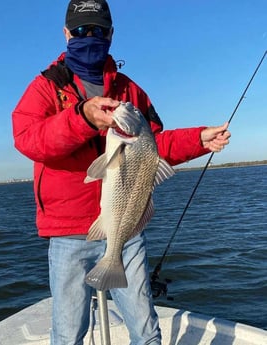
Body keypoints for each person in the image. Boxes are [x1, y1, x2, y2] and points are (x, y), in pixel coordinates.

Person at [12, 1, 231, 344]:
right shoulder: (45, 87)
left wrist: (199, 138)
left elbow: (153, 145)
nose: (90, 37)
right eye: (82, 31)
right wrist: (82, 117)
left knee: (146, 329)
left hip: (127, 231)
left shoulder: (130, 90)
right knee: (68, 333)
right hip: (69, 230)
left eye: (97, 31)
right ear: (67, 33)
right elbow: (29, 140)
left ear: (111, 34)